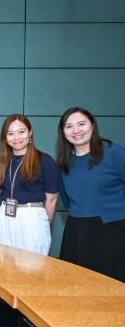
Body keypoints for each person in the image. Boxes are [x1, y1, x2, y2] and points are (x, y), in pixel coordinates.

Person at [57, 107, 125, 282]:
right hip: (77, 233)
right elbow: (67, 200)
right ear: (63, 132)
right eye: (69, 126)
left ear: (92, 126)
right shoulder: (64, 162)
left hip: (113, 231)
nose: (76, 130)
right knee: (77, 287)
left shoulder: (114, 153)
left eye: (81, 124)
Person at [0, 114, 59, 255]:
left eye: (21, 132)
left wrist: (43, 226)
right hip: (5, 216)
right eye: (10, 133)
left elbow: (52, 199)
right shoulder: (1, 161)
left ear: (30, 133)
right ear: (5, 137)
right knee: (5, 266)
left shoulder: (45, 160)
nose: (16, 138)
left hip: (32, 218)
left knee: (32, 268)